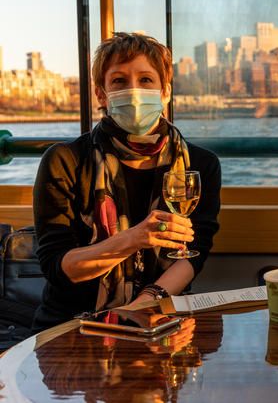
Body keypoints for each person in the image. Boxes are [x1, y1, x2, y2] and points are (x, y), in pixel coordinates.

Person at [32, 32, 221, 332]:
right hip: (74, 325)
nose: (134, 92)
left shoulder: (200, 165)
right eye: (119, 81)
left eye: (146, 80)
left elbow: (194, 252)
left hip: (163, 318)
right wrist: (134, 238)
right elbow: (58, 266)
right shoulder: (65, 160)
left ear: (165, 91)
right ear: (101, 95)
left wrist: (143, 305)